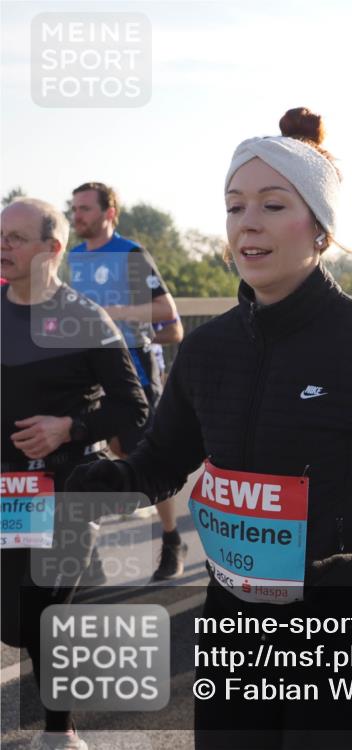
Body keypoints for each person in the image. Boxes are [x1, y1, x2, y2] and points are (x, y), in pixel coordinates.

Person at [65, 107, 352, 749]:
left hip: (348, 632)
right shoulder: (208, 350)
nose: (248, 222)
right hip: (235, 628)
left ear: (320, 228)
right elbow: (162, 462)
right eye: (234, 207)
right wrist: (105, 480)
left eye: (272, 204)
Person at [2, 198, 149, 750]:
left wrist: (69, 426)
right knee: (14, 623)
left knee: (43, 612)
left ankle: (59, 733)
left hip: (64, 489)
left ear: (52, 249)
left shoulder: (86, 319)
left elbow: (133, 408)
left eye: (16, 238)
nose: (2, 246)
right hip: (6, 491)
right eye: (0, 235)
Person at [67, 182, 188, 581]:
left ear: (109, 213)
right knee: (85, 455)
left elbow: (166, 311)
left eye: (85, 208)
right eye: (74, 208)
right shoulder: (72, 258)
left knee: (144, 454)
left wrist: (113, 312)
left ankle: (171, 539)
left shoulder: (130, 254)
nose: (77, 215)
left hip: (130, 367)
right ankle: (88, 554)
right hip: (84, 372)